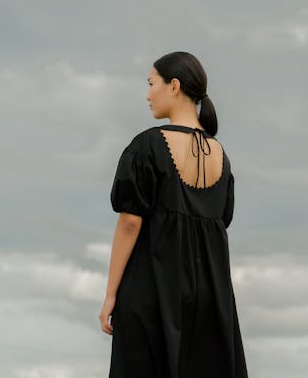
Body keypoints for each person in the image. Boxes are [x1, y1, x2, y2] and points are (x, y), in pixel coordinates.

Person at [100, 51, 248, 377]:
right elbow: (221, 220)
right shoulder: (221, 157)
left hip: (151, 288)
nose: (148, 94)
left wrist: (111, 294)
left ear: (174, 86)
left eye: (152, 83)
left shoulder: (147, 146)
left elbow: (129, 222)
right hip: (211, 296)